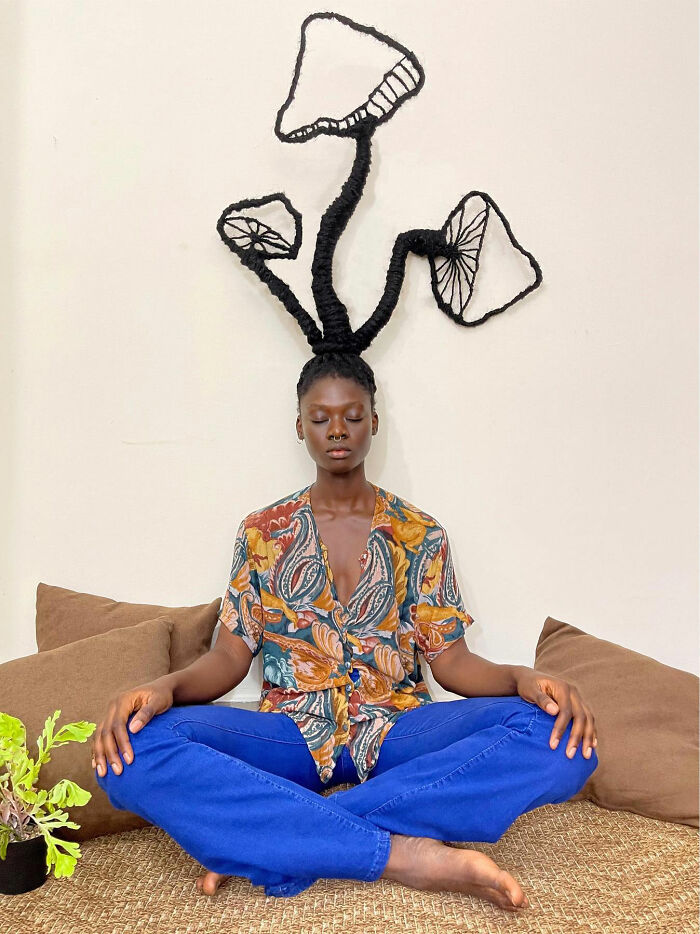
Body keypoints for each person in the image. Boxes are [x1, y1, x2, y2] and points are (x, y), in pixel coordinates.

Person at [92, 353, 598, 913]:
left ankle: (278, 838)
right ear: (300, 426)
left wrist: (523, 677)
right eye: (320, 417)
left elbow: (452, 663)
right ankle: (402, 855)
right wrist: (166, 687)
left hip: (399, 729)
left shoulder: (420, 533)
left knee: (563, 742)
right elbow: (230, 657)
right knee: (130, 751)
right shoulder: (263, 533)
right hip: (290, 735)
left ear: (374, 422)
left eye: (352, 416)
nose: (337, 430)